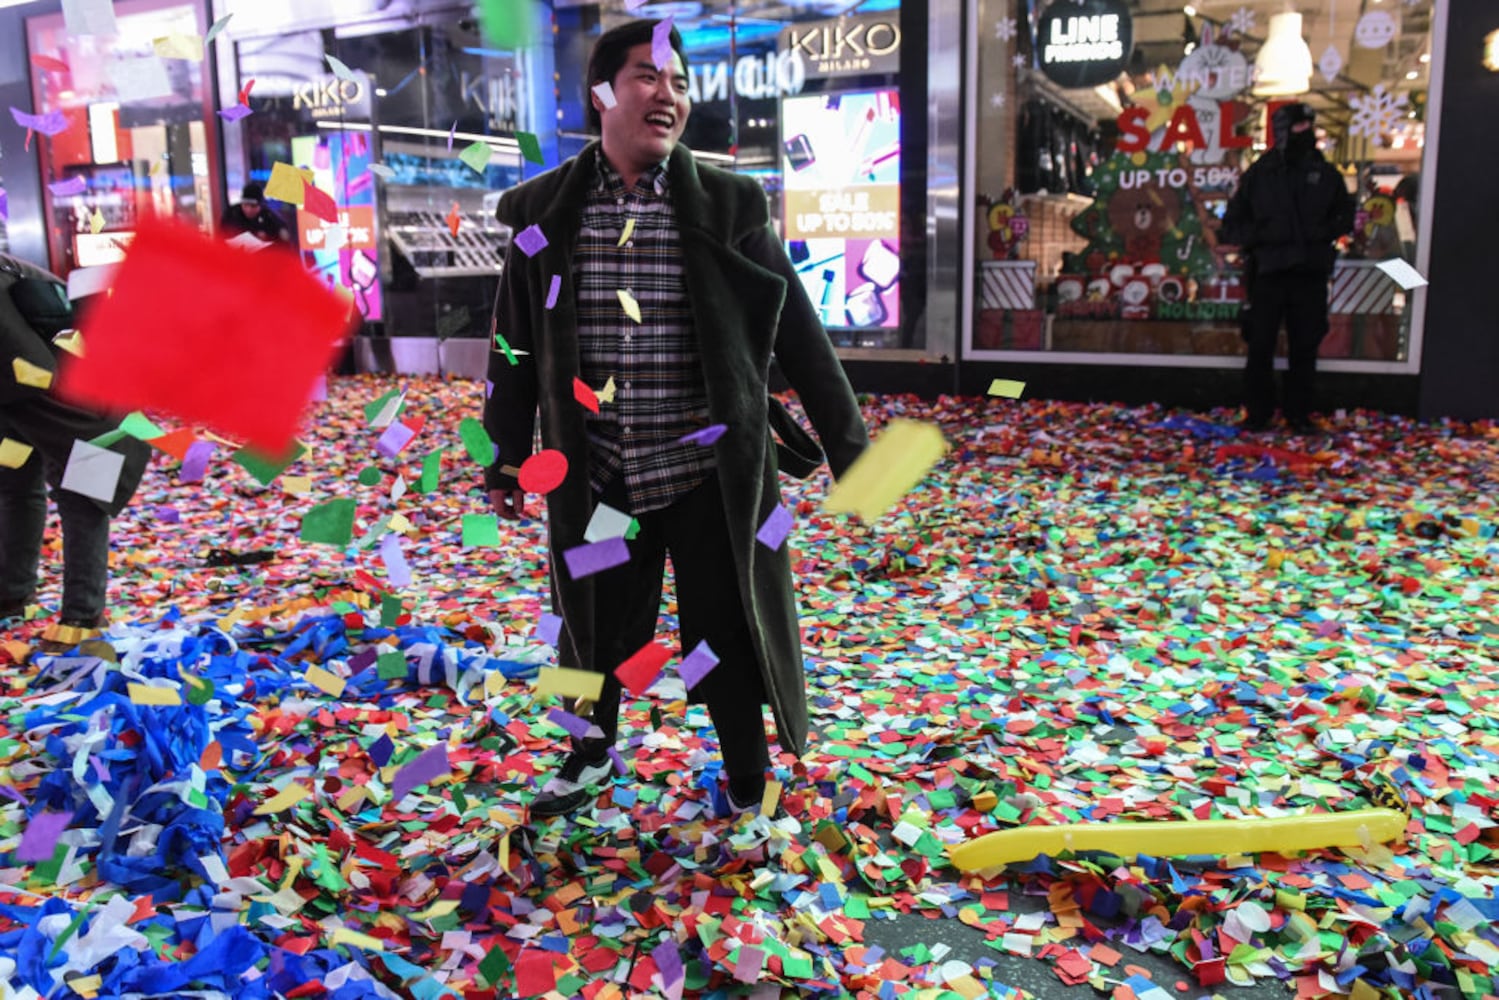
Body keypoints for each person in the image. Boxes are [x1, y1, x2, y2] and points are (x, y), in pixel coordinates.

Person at [483, 19, 869, 818]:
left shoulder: (726, 203)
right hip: (598, 477)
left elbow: (797, 330)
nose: (669, 96)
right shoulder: (542, 214)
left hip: (708, 474)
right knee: (588, 625)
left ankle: (745, 777)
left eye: (681, 83)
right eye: (648, 77)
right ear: (601, 94)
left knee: (723, 628)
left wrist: (850, 449)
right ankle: (586, 754)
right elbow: (513, 347)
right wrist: (504, 456)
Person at [0, 254, 150, 644]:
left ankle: (82, 618)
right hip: (26, 389)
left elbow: (33, 368)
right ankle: (13, 593)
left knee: (81, 496)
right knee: (16, 484)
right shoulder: (11, 267)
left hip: (73, 395)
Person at [1222, 103, 1355, 433]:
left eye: (1308, 125)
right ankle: (1258, 412)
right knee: (1261, 344)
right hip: (1268, 272)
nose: (1304, 133)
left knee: (1305, 346)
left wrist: (1320, 236)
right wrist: (1263, 238)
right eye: (1298, 126)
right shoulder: (1261, 173)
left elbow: (1345, 217)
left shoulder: (1325, 174)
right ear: (1282, 129)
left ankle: (1298, 412)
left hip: (1309, 272)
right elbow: (1233, 223)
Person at [220, 182, 291, 243]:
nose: (248, 209)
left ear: (261, 205)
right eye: (245, 205)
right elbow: (220, 237)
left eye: (253, 206)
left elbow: (283, 243)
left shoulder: (269, 217)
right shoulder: (231, 214)